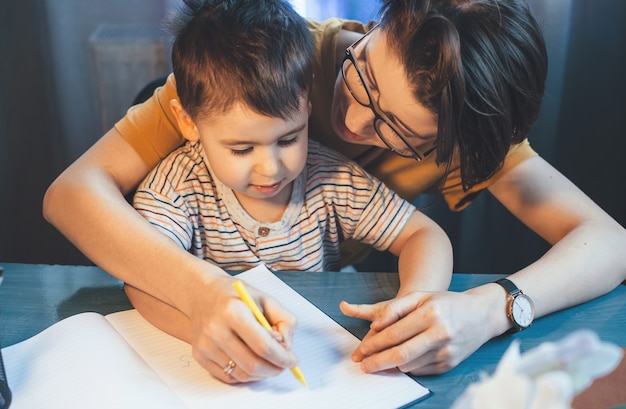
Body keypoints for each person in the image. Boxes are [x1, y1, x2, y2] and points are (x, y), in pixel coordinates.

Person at [43, 0, 626, 380]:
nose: (353, 122)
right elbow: (71, 195)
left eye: (397, 131)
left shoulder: (466, 137)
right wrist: (200, 295)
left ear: (454, 148)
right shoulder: (268, 65)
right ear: (375, 26)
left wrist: (488, 309)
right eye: (364, 72)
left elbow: (608, 243)